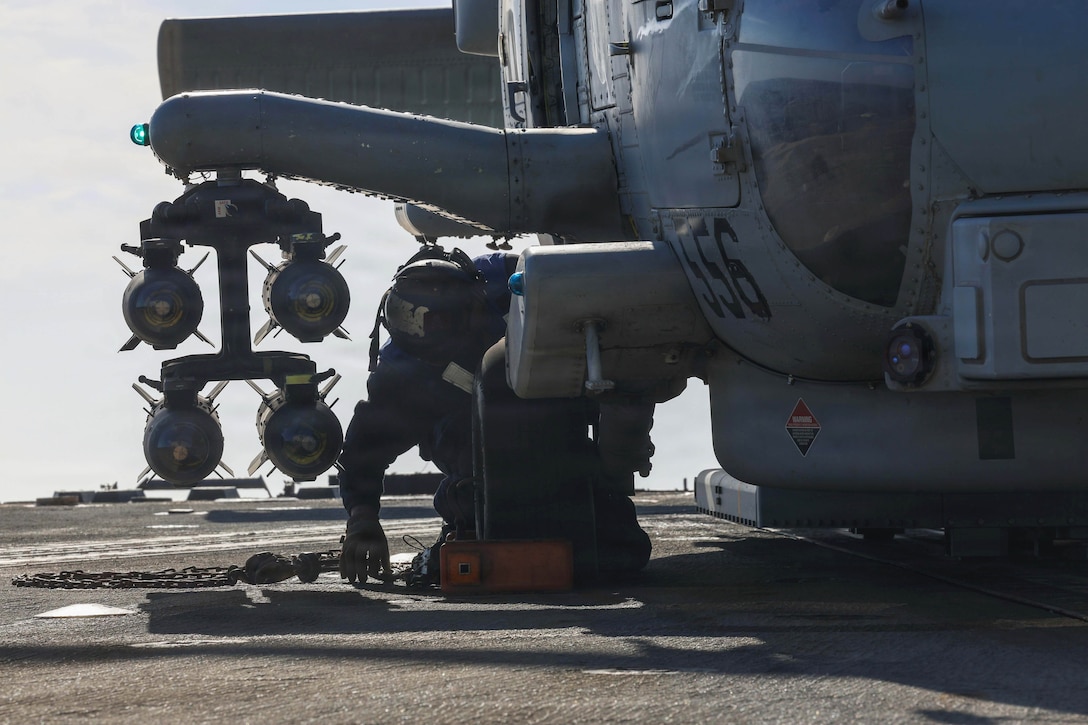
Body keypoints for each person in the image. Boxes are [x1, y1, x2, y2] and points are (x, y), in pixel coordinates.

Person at [337, 244, 653, 585]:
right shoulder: (401, 367)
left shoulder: (514, 279)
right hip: (472, 471)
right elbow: (363, 449)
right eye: (410, 318)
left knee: (619, 553)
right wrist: (362, 517)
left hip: (559, 436)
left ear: (473, 303)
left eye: (441, 318)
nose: (426, 331)